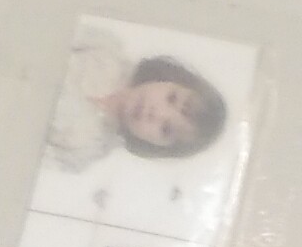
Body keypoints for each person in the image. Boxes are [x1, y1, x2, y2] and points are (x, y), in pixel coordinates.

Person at [48, 32, 233, 169]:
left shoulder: (85, 148)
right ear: (168, 78)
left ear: (156, 146)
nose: (156, 113)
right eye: (171, 98)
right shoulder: (106, 50)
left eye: (165, 129)